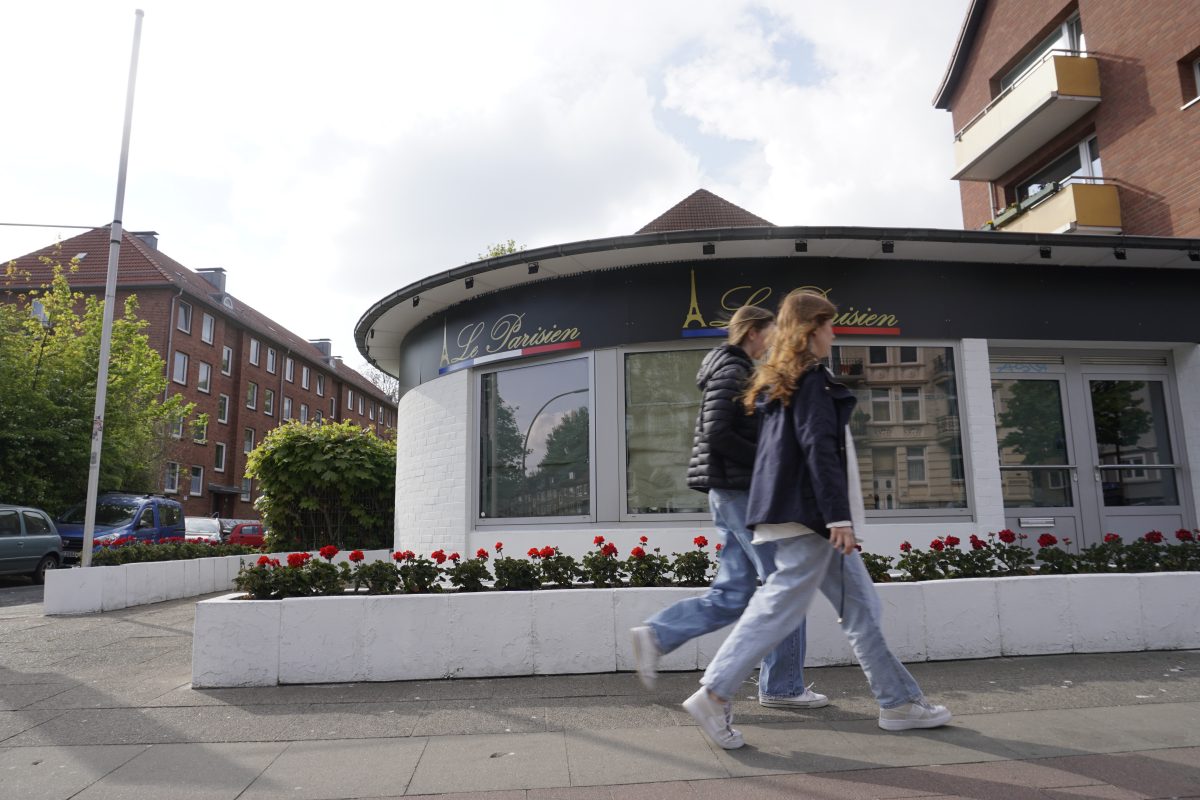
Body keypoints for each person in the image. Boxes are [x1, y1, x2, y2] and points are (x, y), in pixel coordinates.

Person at [681, 290, 951, 749]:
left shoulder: (781, 379)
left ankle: (899, 701)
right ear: (809, 330)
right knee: (781, 605)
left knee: (859, 607)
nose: (833, 334)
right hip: (812, 521)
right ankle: (714, 693)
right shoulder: (808, 380)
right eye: (827, 325)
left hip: (803, 518)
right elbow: (819, 451)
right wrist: (838, 518)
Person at [630, 304, 827, 712]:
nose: (774, 339)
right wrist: (770, 459)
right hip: (738, 492)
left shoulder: (733, 369)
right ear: (753, 332)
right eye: (770, 331)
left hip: (732, 491)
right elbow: (717, 431)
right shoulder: (732, 370)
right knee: (784, 588)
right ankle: (783, 685)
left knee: (734, 592)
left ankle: (657, 635)